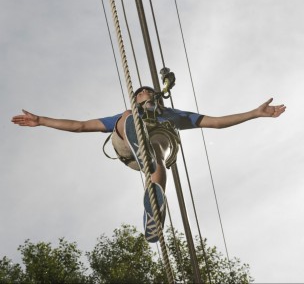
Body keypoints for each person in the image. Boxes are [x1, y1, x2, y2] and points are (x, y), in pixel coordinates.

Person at [11, 86, 286, 242]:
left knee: (158, 152)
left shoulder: (174, 115)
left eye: (147, 93)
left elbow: (215, 122)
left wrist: (254, 113)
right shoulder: (131, 110)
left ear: (156, 97)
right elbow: (81, 125)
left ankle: (153, 212)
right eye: (139, 93)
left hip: (157, 151)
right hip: (128, 148)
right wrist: (43, 120)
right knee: (127, 117)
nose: (143, 94)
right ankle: (140, 145)